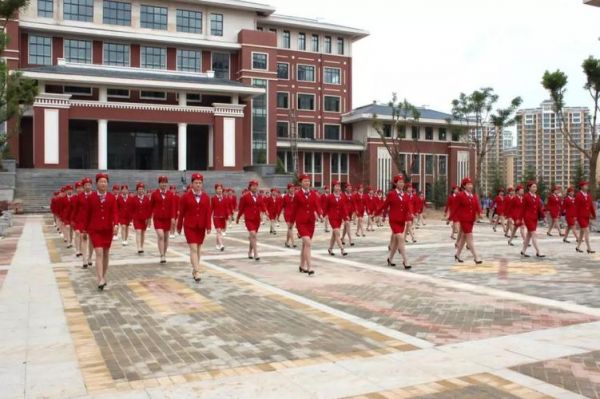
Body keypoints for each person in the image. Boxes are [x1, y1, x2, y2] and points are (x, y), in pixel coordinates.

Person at [85, 173, 118, 291]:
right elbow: (87, 214)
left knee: (105, 253)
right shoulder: (91, 198)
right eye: (101, 182)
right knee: (98, 252)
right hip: (95, 229)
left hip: (107, 230)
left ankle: (103, 275)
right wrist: (85, 230)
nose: (103, 184)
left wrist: (116, 224)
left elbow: (115, 213)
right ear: (96, 184)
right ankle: (99, 278)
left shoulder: (111, 197)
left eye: (105, 182)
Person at [177, 173, 212, 283]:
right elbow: (181, 213)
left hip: (201, 226)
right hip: (189, 226)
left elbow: (208, 212)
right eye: (196, 183)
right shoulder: (185, 197)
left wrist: (208, 226)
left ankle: (194, 268)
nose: (198, 185)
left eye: (200, 183)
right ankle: (197, 271)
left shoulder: (206, 197)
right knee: (193, 248)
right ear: (192, 184)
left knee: (198, 249)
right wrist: (178, 226)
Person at [293, 174, 323, 276]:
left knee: (305, 244)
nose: (307, 183)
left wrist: (320, 214)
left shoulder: (314, 194)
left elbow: (317, 206)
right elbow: (294, 209)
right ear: (301, 182)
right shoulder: (297, 195)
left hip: (311, 222)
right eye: (305, 181)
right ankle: (309, 267)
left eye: (308, 181)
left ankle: (301, 265)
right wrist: (291, 222)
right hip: (301, 222)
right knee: (308, 243)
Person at [380, 174, 412, 269]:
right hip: (393, 220)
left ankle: (390, 259)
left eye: (402, 182)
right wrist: (376, 213)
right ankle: (406, 260)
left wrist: (411, 213)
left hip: (402, 221)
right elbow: (384, 205)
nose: (401, 184)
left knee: (396, 242)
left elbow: (408, 206)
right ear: (395, 183)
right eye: (399, 182)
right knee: (400, 237)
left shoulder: (405, 195)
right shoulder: (391, 194)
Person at [454, 177, 483, 264]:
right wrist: (450, 217)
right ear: (464, 186)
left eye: (471, 184)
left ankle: (457, 254)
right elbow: (455, 208)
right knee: (469, 237)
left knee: (463, 237)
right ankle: (476, 257)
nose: (470, 186)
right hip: (464, 219)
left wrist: (480, 213)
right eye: (468, 184)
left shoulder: (473, 196)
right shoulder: (460, 195)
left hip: (471, 219)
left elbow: (477, 206)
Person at [236, 180, 267, 260]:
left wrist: (266, 212)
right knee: (253, 235)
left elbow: (262, 205)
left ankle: (250, 251)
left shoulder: (259, 196)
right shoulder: (245, 197)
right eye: (253, 186)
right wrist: (238, 217)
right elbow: (241, 208)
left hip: (257, 219)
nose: (255, 187)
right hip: (249, 219)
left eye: (256, 185)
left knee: (252, 236)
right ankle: (256, 253)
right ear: (250, 187)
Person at [150, 176, 177, 264]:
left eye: (165, 182)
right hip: (158, 218)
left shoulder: (170, 194)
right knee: (160, 235)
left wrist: (173, 217)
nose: (163, 184)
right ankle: (161, 254)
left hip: (167, 219)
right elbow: (151, 206)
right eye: (162, 182)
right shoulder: (154, 194)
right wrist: (149, 217)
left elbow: (173, 207)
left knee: (166, 237)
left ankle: (164, 253)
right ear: (159, 183)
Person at [324, 180, 349, 257]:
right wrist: (323, 215)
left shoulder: (342, 197)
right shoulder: (329, 197)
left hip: (339, 218)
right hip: (332, 217)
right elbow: (326, 207)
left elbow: (344, 208)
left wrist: (346, 216)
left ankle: (330, 248)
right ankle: (342, 249)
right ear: (333, 187)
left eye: (338, 186)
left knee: (334, 235)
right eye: (336, 186)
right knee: (337, 233)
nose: (338, 188)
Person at [521, 181, 545, 258]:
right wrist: (520, 218)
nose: (535, 188)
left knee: (528, 235)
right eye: (533, 187)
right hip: (528, 218)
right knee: (534, 234)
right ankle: (538, 252)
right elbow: (523, 208)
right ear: (529, 188)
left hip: (535, 218)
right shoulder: (526, 196)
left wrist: (543, 216)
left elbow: (539, 208)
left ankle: (523, 251)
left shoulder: (537, 197)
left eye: (536, 187)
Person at [73, 179, 93, 268]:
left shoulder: (95, 195)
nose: (88, 186)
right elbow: (75, 209)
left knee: (92, 240)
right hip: (82, 221)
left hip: (92, 221)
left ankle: (90, 257)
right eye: (86, 185)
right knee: (83, 238)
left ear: (91, 186)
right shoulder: (79, 196)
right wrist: (73, 220)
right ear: (83, 186)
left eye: (89, 185)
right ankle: (84, 259)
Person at [127, 182, 151, 254]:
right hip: (136, 218)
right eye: (139, 189)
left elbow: (148, 209)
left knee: (143, 233)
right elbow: (131, 209)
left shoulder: (146, 199)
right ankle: (138, 247)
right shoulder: (133, 199)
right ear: (137, 190)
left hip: (144, 219)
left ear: (144, 190)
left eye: (142, 189)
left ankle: (142, 246)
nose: (140, 190)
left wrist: (148, 219)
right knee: (138, 232)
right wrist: (130, 219)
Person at [575, 181, 596, 254]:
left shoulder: (588, 195)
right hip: (580, 217)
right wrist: (576, 217)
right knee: (586, 231)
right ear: (581, 187)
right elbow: (576, 207)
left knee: (581, 233)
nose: (587, 186)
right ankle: (589, 248)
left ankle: (577, 247)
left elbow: (591, 206)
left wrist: (593, 215)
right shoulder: (578, 195)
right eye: (585, 185)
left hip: (587, 217)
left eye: (587, 185)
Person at [211, 183, 228, 251]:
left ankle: (217, 244)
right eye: (218, 189)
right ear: (215, 190)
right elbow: (211, 208)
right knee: (218, 231)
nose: (220, 190)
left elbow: (226, 208)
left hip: (222, 217)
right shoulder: (213, 198)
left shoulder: (224, 198)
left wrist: (227, 216)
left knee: (219, 231)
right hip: (216, 217)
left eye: (221, 189)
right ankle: (221, 245)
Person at [282, 183, 297, 248]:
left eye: (293, 188)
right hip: (287, 214)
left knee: (289, 229)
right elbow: (282, 206)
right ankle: (293, 243)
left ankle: (286, 242)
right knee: (290, 228)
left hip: (293, 215)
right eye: (291, 188)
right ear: (288, 189)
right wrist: (279, 214)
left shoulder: (296, 196)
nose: (292, 189)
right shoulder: (285, 197)